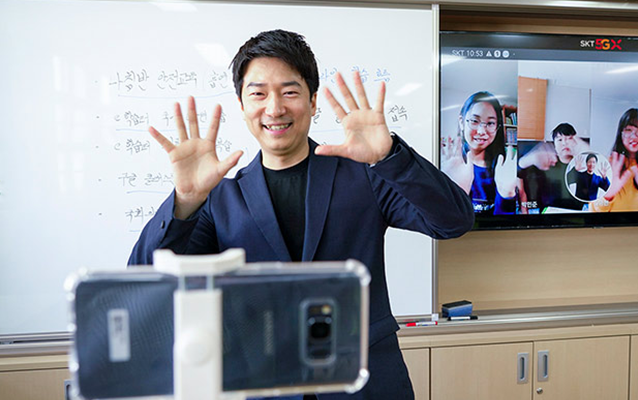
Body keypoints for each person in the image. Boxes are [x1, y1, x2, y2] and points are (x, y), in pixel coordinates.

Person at [129, 29, 474, 399]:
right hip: (265, 385)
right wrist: (185, 200)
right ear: (242, 106)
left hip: (365, 384)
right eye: (258, 93)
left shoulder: (365, 177)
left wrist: (390, 157)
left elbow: (454, 220)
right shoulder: (221, 199)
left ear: (312, 101)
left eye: (289, 92)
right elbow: (146, 283)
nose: (274, 108)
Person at [441, 91, 517, 215]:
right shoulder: (448, 166)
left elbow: (506, 223)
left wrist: (506, 195)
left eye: (490, 123)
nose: (482, 131)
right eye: (475, 121)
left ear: (497, 127)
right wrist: (454, 193)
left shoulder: (504, 168)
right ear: (462, 122)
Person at [517, 122, 587, 212]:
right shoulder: (544, 162)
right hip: (548, 213)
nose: (564, 143)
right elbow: (519, 172)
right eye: (560, 140)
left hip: (576, 214)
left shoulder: (584, 164)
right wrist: (530, 159)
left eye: (569, 139)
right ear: (554, 144)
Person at [591, 108, 638, 212]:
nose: (634, 136)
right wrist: (608, 195)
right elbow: (592, 210)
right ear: (621, 133)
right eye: (629, 130)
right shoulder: (608, 164)